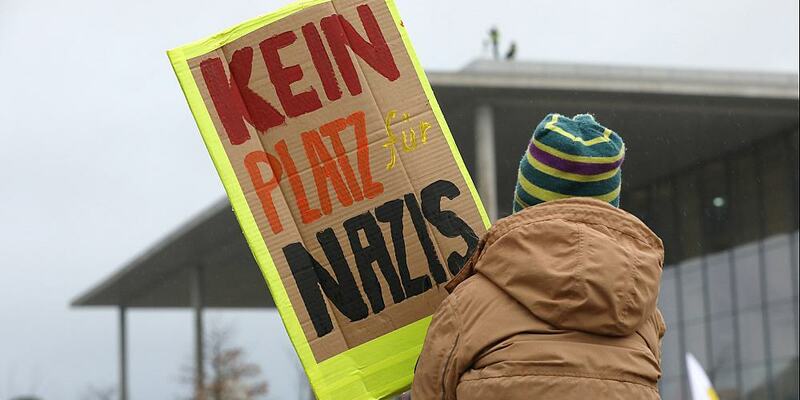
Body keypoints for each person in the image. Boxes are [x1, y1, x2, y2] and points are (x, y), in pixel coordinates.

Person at [410, 113, 666, 399]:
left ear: (524, 204)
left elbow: (430, 392)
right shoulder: (644, 316)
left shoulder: (468, 305)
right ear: (610, 211)